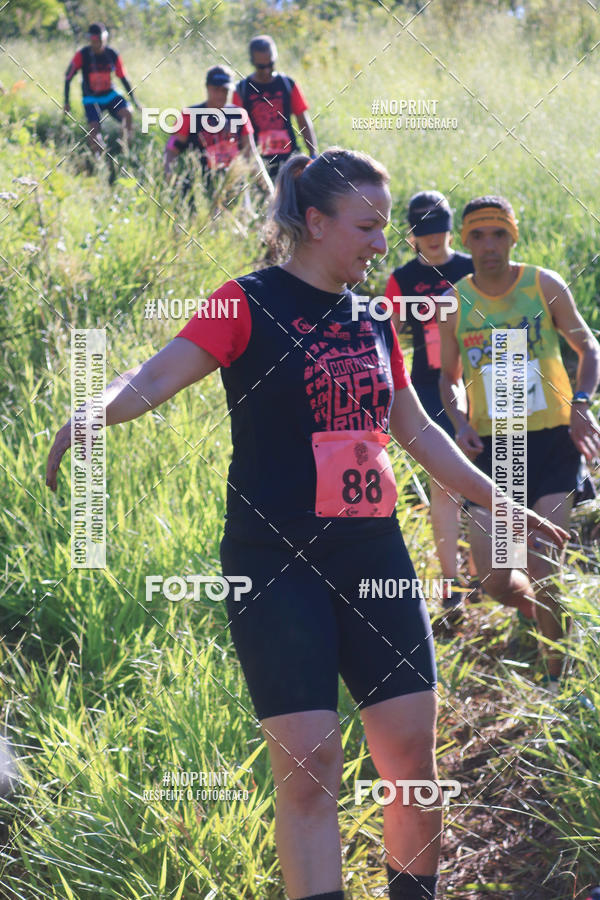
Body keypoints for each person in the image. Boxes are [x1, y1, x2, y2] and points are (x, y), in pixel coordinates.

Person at [46, 151, 568, 899]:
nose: (378, 243)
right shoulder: (246, 302)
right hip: (272, 560)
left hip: (372, 551)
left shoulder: (373, 315)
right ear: (314, 222)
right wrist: (92, 412)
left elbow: (416, 431)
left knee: (411, 762)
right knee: (309, 768)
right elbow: (155, 375)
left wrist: (499, 499)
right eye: (365, 226)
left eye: (383, 227)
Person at [439, 195, 600, 690]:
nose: (489, 246)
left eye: (499, 234)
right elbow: (447, 376)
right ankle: (541, 615)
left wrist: (580, 403)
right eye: (478, 236)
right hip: (493, 448)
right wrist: (458, 418)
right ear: (465, 241)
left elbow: (587, 345)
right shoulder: (455, 303)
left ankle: (559, 676)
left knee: (542, 561)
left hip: (552, 441)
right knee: (493, 576)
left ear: (513, 236)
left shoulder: (541, 285)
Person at [385, 191, 478, 622]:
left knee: (500, 473)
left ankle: (494, 570)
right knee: (445, 483)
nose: (435, 240)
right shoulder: (402, 280)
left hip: (484, 379)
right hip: (429, 384)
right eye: (425, 234)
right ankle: (452, 584)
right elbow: (386, 337)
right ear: (412, 237)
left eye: (441, 230)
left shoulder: (472, 267)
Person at [164, 65, 273, 198]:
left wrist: (269, 191)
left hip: (234, 186)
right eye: (216, 89)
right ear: (207, 88)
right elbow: (172, 149)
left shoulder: (239, 115)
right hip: (199, 188)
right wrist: (168, 180)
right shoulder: (190, 115)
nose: (221, 95)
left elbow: (251, 155)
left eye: (225, 90)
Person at [232, 34, 318, 177]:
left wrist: (313, 154)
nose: (266, 70)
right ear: (252, 62)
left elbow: (303, 121)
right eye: (261, 67)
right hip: (258, 164)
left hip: (290, 160)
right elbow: (235, 131)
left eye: (270, 64)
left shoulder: (288, 84)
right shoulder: (242, 90)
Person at [64, 22, 140, 154]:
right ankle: (99, 161)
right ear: (89, 40)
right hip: (91, 99)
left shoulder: (112, 54)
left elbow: (123, 78)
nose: (97, 44)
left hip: (110, 95)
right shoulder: (82, 55)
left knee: (128, 114)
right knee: (94, 132)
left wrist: (135, 101)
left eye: (100, 40)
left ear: (105, 39)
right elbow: (68, 77)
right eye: (93, 40)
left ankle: (125, 152)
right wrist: (66, 102)